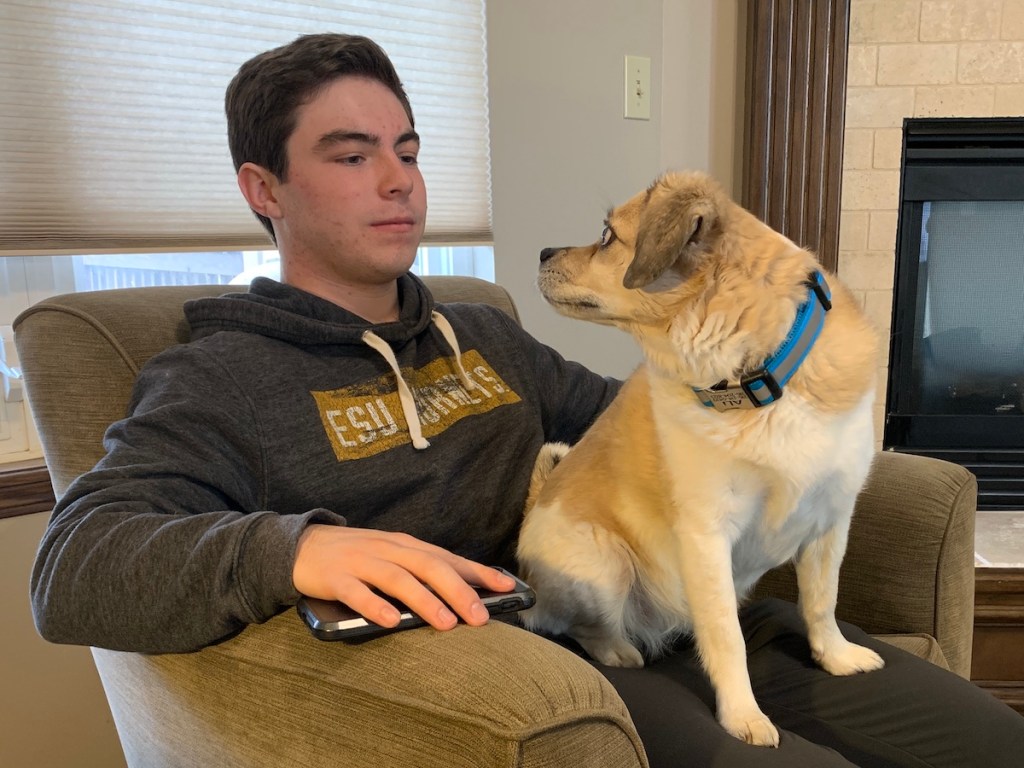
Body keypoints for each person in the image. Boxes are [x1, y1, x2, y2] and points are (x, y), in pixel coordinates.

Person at [29, 32, 1024, 767]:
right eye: (352, 155)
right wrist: (294, 550)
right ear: (264, 189)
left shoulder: (483, 335)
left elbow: (627, 427)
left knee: (988, 743)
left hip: (677, 608)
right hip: (529, 675)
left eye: (408, 150)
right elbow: (73, 566)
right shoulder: (221, 376)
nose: (398, 181)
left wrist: (770, 386)